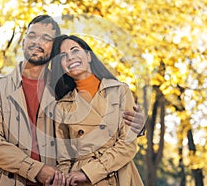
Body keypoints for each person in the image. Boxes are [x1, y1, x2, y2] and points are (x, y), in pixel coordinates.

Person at [0, 15, 145, 186]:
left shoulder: (62, 90)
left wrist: (138, 126)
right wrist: (37, 170)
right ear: (23, 42)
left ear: (52, 50)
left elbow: (93, 128)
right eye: (32, 35)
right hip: (7, 181)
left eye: (46, 38)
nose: (37, 42)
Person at [50, 35, 144, 186]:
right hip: (80, 180)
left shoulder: (120, 91)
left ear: (88, 56)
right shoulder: (62, 106)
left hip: (119, 174)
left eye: (75, 50)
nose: (70, 57)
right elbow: (64, 159)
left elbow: (128, 144)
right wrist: (65, 179)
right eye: (63, 56)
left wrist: (88, 173)